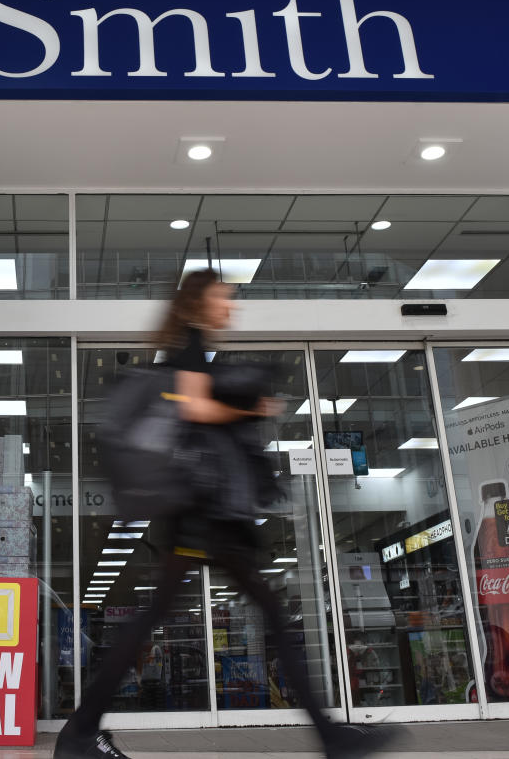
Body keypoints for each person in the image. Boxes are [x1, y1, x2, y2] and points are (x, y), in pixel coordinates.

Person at [54, 268, 401, 759]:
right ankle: (333, 738)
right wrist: (250, 410)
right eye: (223, 297)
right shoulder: (192, 346)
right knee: (261, 614)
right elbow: (196, 410)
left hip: (198, 511)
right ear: (199, 302)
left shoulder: (188, 347)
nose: (230, 306)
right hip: (205, 512)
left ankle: (79, 734)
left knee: (182, 614)